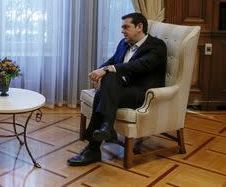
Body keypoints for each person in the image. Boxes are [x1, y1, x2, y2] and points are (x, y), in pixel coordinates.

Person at [67, 12, 167, 166]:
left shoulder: (157, 46)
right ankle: (106, 128)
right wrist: (99, 73)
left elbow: (139, 65)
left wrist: (107, 71)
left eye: (126, 27)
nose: (122, 31)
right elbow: (112, 61)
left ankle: (93, 148)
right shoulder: (123, 43)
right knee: (109, 79)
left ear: (139, 27)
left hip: (143, 94)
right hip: (121, 90)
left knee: (105, 88)